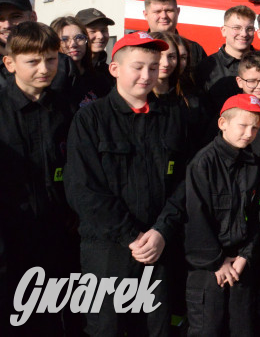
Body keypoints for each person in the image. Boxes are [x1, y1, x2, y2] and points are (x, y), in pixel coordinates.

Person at [65, 31, 194, 336]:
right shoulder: (90, 120)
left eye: (152, 67)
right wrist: (132, 237)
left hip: (158, 248)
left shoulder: (173, 115)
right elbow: (84, 189)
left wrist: (162, 231)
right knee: (106, 329)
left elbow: (186, 182)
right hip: (107, 251)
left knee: (155, 329)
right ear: (114, 69)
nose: (146, 75)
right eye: (137, 67)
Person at [0, 22, 78, 333]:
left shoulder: (66, 109)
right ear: (10, 63)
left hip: (57, 233)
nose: (44, 69)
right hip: (9, 238)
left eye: (51, 59)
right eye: (33, 61)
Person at [184, 93, 260, 336]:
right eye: (242, 125)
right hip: (208, 269)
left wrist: (245, 256)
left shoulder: (254, 164)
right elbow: (196, 219)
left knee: (242, 328)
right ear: (223, 124)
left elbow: (257, 217)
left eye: (255, 128)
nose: (248, 133)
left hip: (241, 265)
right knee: (207, 329)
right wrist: (218, 262)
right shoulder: (203, 164)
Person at [198, 5, 258, 112]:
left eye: (249, 29)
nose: (244, 34)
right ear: (223, 30)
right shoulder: (207, 67)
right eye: (237, 28)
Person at [143, 0, 208, 77]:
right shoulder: (136, 47)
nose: (163, 16)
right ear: (145, 15)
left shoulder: (194, 50)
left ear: (178, 12)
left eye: (169, 10)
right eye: (157, 11)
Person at [50, 15, 104, 109]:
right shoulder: (48, 80)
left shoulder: (98, 78)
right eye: (64, 39)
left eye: (79, 37)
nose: (73, 44)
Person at [0, 0, 39, 84]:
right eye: (0, 19)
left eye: (16, 17)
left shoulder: (61, 63)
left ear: (32, 17)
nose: (7, 25)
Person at [76, 6, 115, 93]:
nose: (100, 36)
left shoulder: (109, 74)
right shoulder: (69, 71)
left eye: (104, 30)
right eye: (93, 31)